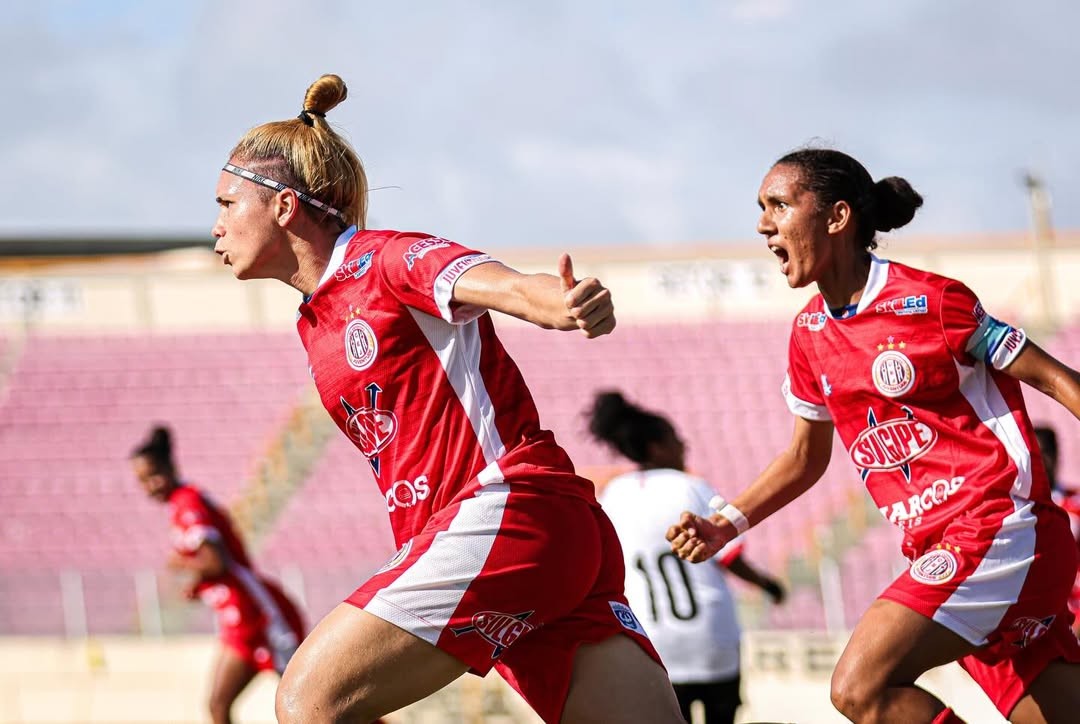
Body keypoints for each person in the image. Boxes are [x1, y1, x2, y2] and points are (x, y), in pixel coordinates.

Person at [209, 73, 682, 724]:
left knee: (307, 701)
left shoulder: (385, 260)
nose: (216, 226)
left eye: (227, 204)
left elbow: (504, 285)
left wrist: (562, 303)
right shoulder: (316, 316)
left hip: (508, 512)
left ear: (283, 206)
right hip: (547, 541)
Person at [666, 147, 1080, 724]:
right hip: (942, 548)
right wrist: (725, 523)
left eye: (779, 205)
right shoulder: (809, 334)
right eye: (762, 208)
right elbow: (804, 459)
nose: (763, 224)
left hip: (998, 529)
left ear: (837, 217)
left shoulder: (933, 302)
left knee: (859, 687)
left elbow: (1056, 378)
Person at [588, 391, 786, 724]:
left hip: (653, 640)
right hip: (711, 637)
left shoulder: (613, 495)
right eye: (676, 439)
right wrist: (768, 585)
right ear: (656, 447)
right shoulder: (691, 487)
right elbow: (730, 556)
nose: (684, 446)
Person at [131, 425, 305, 724]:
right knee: (217, 705)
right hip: (239, 620)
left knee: (314, 698)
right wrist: (199, 584)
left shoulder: (188, 504)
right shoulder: (184, 502)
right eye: (143, 481)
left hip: (256, 616)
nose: (151, 486)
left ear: (171, 466)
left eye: (154, 475)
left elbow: (217, 563)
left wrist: (183, 565)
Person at [1033, 425, 1080, 637]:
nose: (1039, 461)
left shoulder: (1075, 504)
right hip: (1037, 618)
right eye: (1033, 454)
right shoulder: (1014, 507)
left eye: (1044, 453)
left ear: (1055, 456)